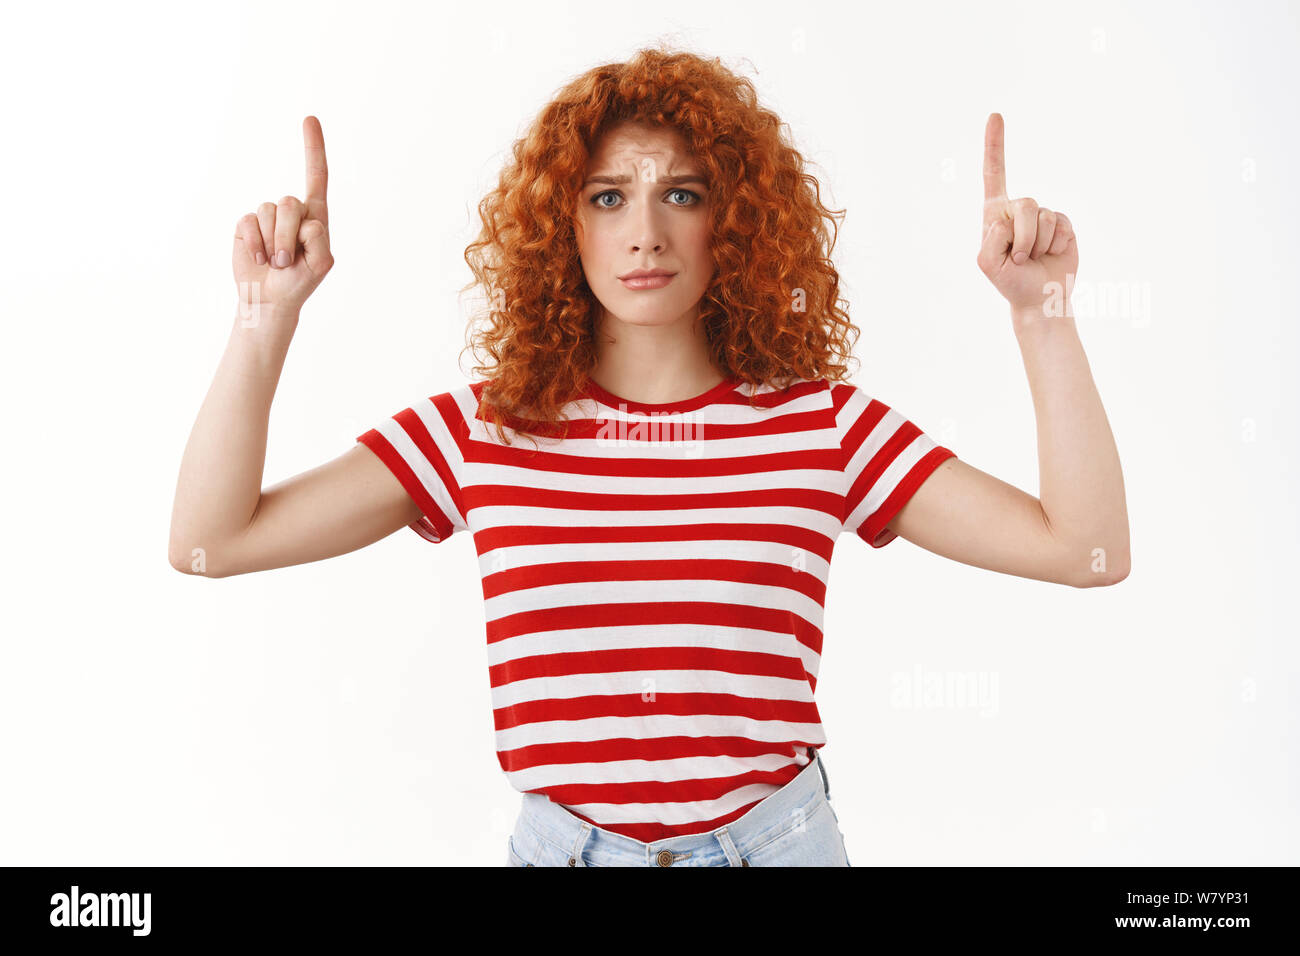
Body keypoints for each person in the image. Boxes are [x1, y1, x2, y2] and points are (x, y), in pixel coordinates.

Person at [169, 47, 1129, 867]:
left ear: (735, 221)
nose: (645, 234)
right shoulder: (484, 430)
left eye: (681, 193)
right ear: (564, 224)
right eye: (607, 196)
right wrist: (264, 315)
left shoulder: (821, 427)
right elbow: (212, 540)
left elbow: (1084, 549)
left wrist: (1042, 312)